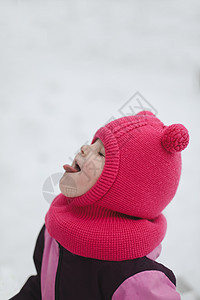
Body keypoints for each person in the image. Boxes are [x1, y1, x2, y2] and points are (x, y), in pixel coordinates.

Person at [10, 110, 189, 300]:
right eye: (93, 143)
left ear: (126, 191)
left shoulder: (133, 278)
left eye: (101, 153)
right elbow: (43, 288)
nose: (85, 148)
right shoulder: (56, 231)